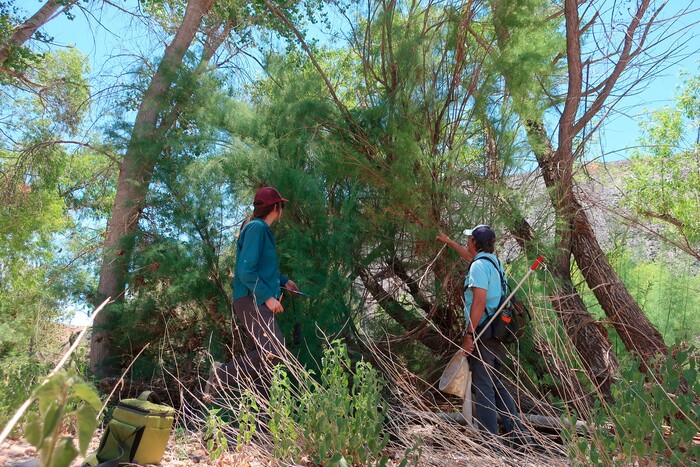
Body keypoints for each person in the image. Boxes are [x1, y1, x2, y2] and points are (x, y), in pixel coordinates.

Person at [436, 225, 528, 441]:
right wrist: (449, 242)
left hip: (482, 332)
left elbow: (479, 301)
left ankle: (490, 441)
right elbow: (470, 257)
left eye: (469, 239)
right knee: (497, 384)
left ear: (476, 243)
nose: (467, 242)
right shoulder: (493, 263)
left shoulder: (479, 267)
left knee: (484, 386)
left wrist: (469, 335)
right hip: (498, 332)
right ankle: (520, 436)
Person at [206, 186, 298, 399]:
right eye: (281, 205)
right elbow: (246, 269)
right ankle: (220, 374)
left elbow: (259, 268)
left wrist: (285, 282)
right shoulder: (257, 228)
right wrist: (268, 297)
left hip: (252, 299)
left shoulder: (258, 229)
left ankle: (258, 418)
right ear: (277, 207)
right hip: (252, 300)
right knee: (274, 351)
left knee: (263, 364)